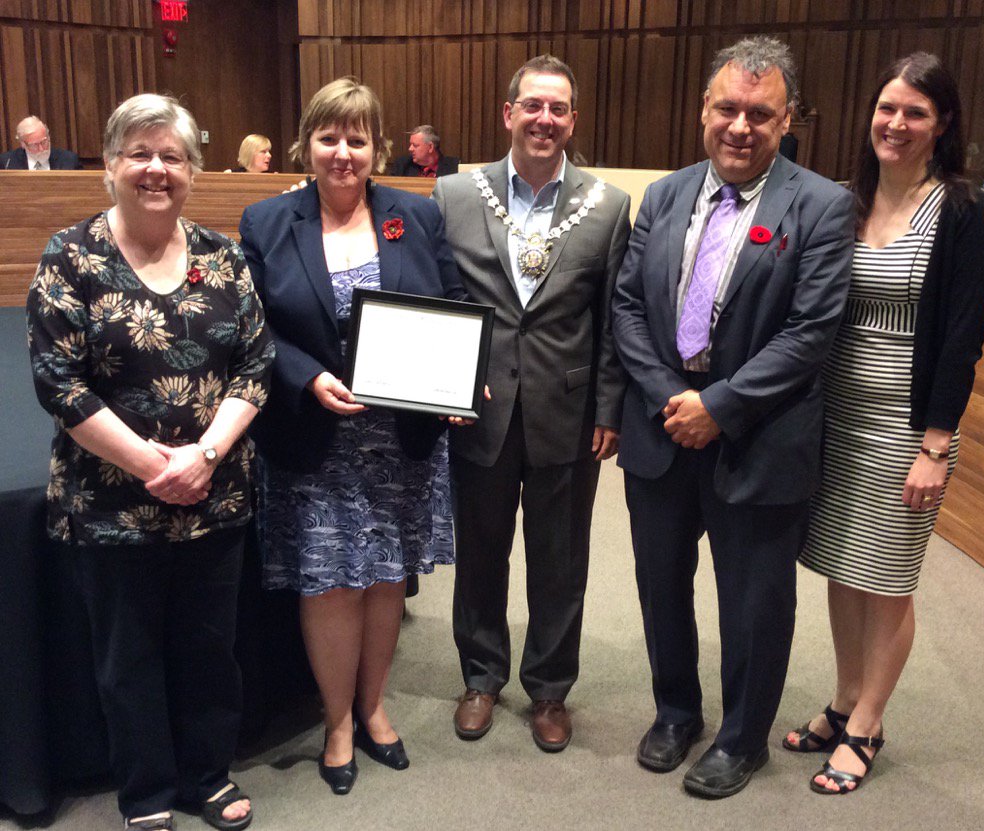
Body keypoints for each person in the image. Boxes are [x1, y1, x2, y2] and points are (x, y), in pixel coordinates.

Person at [611, 35, 855, 798]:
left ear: (786, 121)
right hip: (661, 426)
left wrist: (718, 405)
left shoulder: (819, 204)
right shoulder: (664, 194)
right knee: (659, 581)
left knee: (755, 597)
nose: (740, 127)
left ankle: (743, 736)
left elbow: (812, 331)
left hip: (759, 434)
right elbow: (626, 305)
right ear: (703, 111)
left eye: (760, 113)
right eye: (727, 108)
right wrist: (667, 397)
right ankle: (676, 710)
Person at [25, 93, 272, 830]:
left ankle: (208, 776)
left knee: (209, 650)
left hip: (214, 496)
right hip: (109, 506)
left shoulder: (223, 257)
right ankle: (147, 793)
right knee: (126, 660)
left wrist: (202, 457)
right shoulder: (70, 257)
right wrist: (150, 465)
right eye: (140, 153)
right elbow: (56, 382)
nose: (156, 169)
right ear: (110, 166)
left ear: (194, 171)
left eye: (172, 156)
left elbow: (256, 364)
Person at [238, 77, 465, 796]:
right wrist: (306, 377)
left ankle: (374, 704)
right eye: (329, 137)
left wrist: (463, 376)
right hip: (314, 433)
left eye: (358, 139)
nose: (343, 152)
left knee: (386, 573)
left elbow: (452, 301)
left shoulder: (413, 216)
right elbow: (254, 329)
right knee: (331, 579)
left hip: (399, 434)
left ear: (378, 148)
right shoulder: (267, 221)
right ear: (308, 144)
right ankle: (339, 719)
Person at [784, 52, 984, 796]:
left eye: (915, 113)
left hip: (907, 432)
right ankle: (844, 696)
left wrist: (935, 446)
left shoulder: (962, 214)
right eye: (887, 108)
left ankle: (869, 721)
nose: (895, 123)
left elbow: (963, 338)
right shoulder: (846, 202)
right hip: (836, 417)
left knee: (888, 578)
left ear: (940, 128)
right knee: (843, 564)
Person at [433, 54, 631, 752]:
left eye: (559, 108)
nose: (545, 119)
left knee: (560, 558)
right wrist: (445, 378)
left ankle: (549, 688)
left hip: (568, 413)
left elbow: (613, 317)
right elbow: (438, 299)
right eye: (533, 105)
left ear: (572, 119)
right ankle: (482, 675)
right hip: (478, 406)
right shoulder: (453, 195)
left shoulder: (608, 206)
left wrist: (609, 407)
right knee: (481, 553)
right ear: (508, 113)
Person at [1, 115, 82, 169]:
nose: (42, 149)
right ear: (23, 144)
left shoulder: (69, 160)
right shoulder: (7, 163)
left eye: (44, 142)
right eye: (34, 145)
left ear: (48, 137)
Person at [388, 125, 459, 177]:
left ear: (430, 147)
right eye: (410, 144)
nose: (410, 149)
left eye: (415, 145)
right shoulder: (402, 165)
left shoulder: (454, 167)